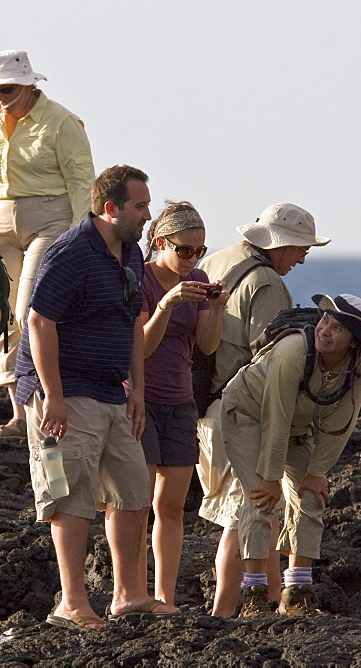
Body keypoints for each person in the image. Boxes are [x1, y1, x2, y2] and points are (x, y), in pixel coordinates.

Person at [15, 165, 179, 631]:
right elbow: (39, 322)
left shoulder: (128, 252)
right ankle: (71, 603)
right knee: (69, 496)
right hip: (64, 388)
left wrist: (139, 390)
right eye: (141, 206)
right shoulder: (71, 252)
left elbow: (132, 320)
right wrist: (53, 396)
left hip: (112, 391)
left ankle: (128, 595)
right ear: (111, 208)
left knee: (132, 491)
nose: (148, 215)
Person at [194, 202, 329, 616]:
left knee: (257, 512)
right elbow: (270, 365)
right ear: (282, 244)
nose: (304, 257)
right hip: (241, 411)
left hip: (206, 405)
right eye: (302, 248)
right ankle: (223, 613)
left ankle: (272, 599)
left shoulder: (219, 259)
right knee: (247, 513)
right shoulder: (267, 283)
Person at [0, 50, 95, 441]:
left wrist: (77, 236)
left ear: (29, 85)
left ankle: (40, 406)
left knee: (28, 311)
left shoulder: (62, 122)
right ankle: (18, 415)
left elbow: (81, 180)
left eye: (7, 88)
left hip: (49, 221)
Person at [224, 293, 361, 617]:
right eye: (324, 321)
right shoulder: (293, 352)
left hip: (296, 425)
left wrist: (317, 471)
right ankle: (254, 595)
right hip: (248, 413)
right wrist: (270, 478)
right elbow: (274, 418)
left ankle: (296, 593)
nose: (325, 330)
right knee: (260, 498)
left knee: (311, 495)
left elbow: (342, 421)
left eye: (337, 329)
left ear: (354, 342)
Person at [137, 202, 228, 607]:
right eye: (185, 250)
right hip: (141, 400)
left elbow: (207, 345)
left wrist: (218, 309)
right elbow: (140, 348)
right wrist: (166, 305)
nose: (192, 260)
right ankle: (135, 594)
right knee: (136, 506)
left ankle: (165, 598)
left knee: (170, 507)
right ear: (160, 243)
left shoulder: (199, 279)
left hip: (181, 401)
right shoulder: (141, 279)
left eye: (200, 251)